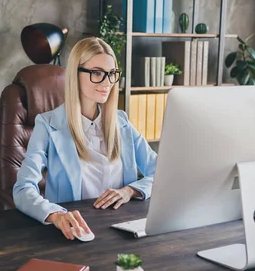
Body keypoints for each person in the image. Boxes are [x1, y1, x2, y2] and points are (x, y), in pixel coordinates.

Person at [13, 37, 157, 240]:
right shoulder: (47, 124)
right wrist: (55, 215)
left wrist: (130, 190)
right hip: (75, 231)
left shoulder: (121, 122)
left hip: (123, 229)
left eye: (111, 74)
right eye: (97, 73)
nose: (107, 82)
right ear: (75, 75)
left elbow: (161, 173)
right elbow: (22, 190)